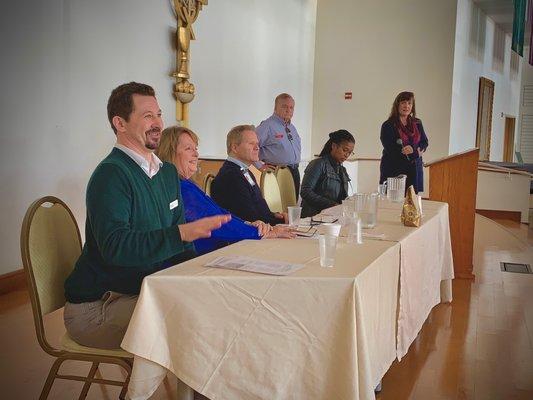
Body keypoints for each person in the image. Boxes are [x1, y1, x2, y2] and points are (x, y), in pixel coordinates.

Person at [63, 82, 229, 349]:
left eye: (159, 114)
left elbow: (180, 247)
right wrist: (182, 233)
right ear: (120, 123)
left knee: (218, 301)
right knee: (199, 322)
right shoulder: (111, 175)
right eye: (147, 115)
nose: (158, 123)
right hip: (100, 306)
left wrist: (201, 274)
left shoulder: (165, 174)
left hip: (145, 292)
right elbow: (117, 247)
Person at [156, 126, 295, 254]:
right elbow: (213, 220)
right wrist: (259, 231)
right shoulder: (178, 187)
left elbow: (220, 213)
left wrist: (247, 224)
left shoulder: (184, 183)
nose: (196, 153)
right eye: (188, 149)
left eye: (195, 148)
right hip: (197, 259)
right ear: (169, 152)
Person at [211, 125, 288, 225]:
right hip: (245, 238)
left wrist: (274, 216)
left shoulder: (243, 171)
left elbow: (256, 205)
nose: (257, 148)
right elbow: (249, 217)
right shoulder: (231, 176)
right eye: (251, 143)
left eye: (257, 144)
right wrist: (281, 221)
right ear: (234, 147)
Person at [379, 91, 429, 193]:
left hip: (414, 168)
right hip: (394, 168)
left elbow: (424, 142)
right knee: (392, 203)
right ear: (397, 105)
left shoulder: (417, 123)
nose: (406, 106)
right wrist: (410, 152)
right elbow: (390, 148)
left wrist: (415, 150)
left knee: (411, 203)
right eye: (403, 102)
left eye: (409, 103)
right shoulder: (388, 125)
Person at [300, 130, 355, 218]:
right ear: (334, 146)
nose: (347, 155)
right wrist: (332, 205)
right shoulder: (318, 164)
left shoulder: (342, 170)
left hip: (331, 216)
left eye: (350, 152)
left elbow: (342, 198)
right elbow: (305, 192)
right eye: (345, 150)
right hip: (313, 217)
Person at [256, 93, 302, 196]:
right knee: (278, 207)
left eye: (291, 107)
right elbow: (250, 147)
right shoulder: (267, 126)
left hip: (294, 171)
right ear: (275, 108)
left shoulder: (292, 127)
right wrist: (259, 165)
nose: (288, 110)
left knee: (291, 206)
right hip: (277, 172)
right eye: (284, 106)